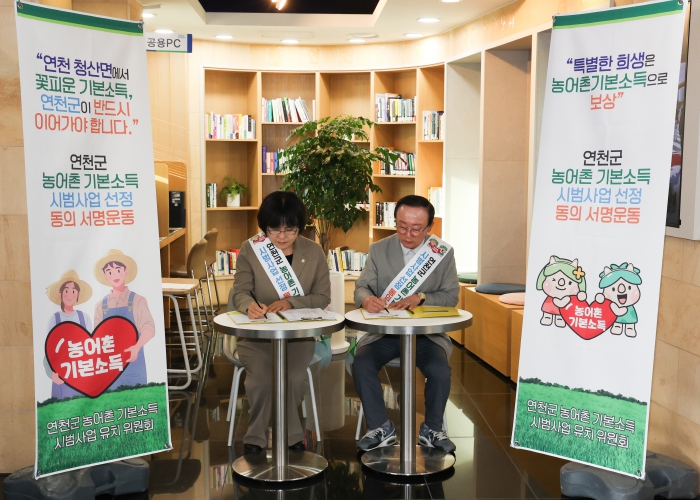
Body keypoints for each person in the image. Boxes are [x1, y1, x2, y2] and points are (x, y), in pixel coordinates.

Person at [354, 195, 460, 452]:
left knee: (440, 371)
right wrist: (367, 299)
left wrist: (422, 297)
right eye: (402, 227)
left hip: (426, 335)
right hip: (385, 333)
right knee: (362, 364)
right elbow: (361, 287)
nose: (408, 234)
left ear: (429, 227)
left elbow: (451, 296)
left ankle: (432, 429)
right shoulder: (379, 249)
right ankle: (380, 427)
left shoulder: (441, 253)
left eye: (416, 229)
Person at [229, 191, 331, 455]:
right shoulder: (251, 248)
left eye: (290, 230)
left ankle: (292, 433)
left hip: (297, 336)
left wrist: (291, 303)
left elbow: (322, 297)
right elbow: (240, 291)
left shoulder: (314, 251)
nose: (282, 237)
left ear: (300, 227)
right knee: (260, 379)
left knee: (294, 378)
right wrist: (248, 305)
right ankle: (256, 434)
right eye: (274, 229)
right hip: (257, 335)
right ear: (265, 227)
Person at [93, 249, 155, 389]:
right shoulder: (100, 306)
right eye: (109, 272)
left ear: (126, 271)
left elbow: (149, 328)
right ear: (105, 275)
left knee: (137, 399)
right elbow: (98, 338)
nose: (114, 275)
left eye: (118, 270)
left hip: (134, 364)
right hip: (110, 366)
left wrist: (137, 347)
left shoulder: (138, 300)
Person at [45, 270, 94, 399]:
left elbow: (92, 348)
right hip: (60, 372)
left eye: (73, 291)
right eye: (66, 290)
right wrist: (51, 374)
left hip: (81, 372)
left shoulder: (84, 317)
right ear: (60, 293)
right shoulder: (55, 319)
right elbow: (48, 350)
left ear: (78, 294)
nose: (69, 295)